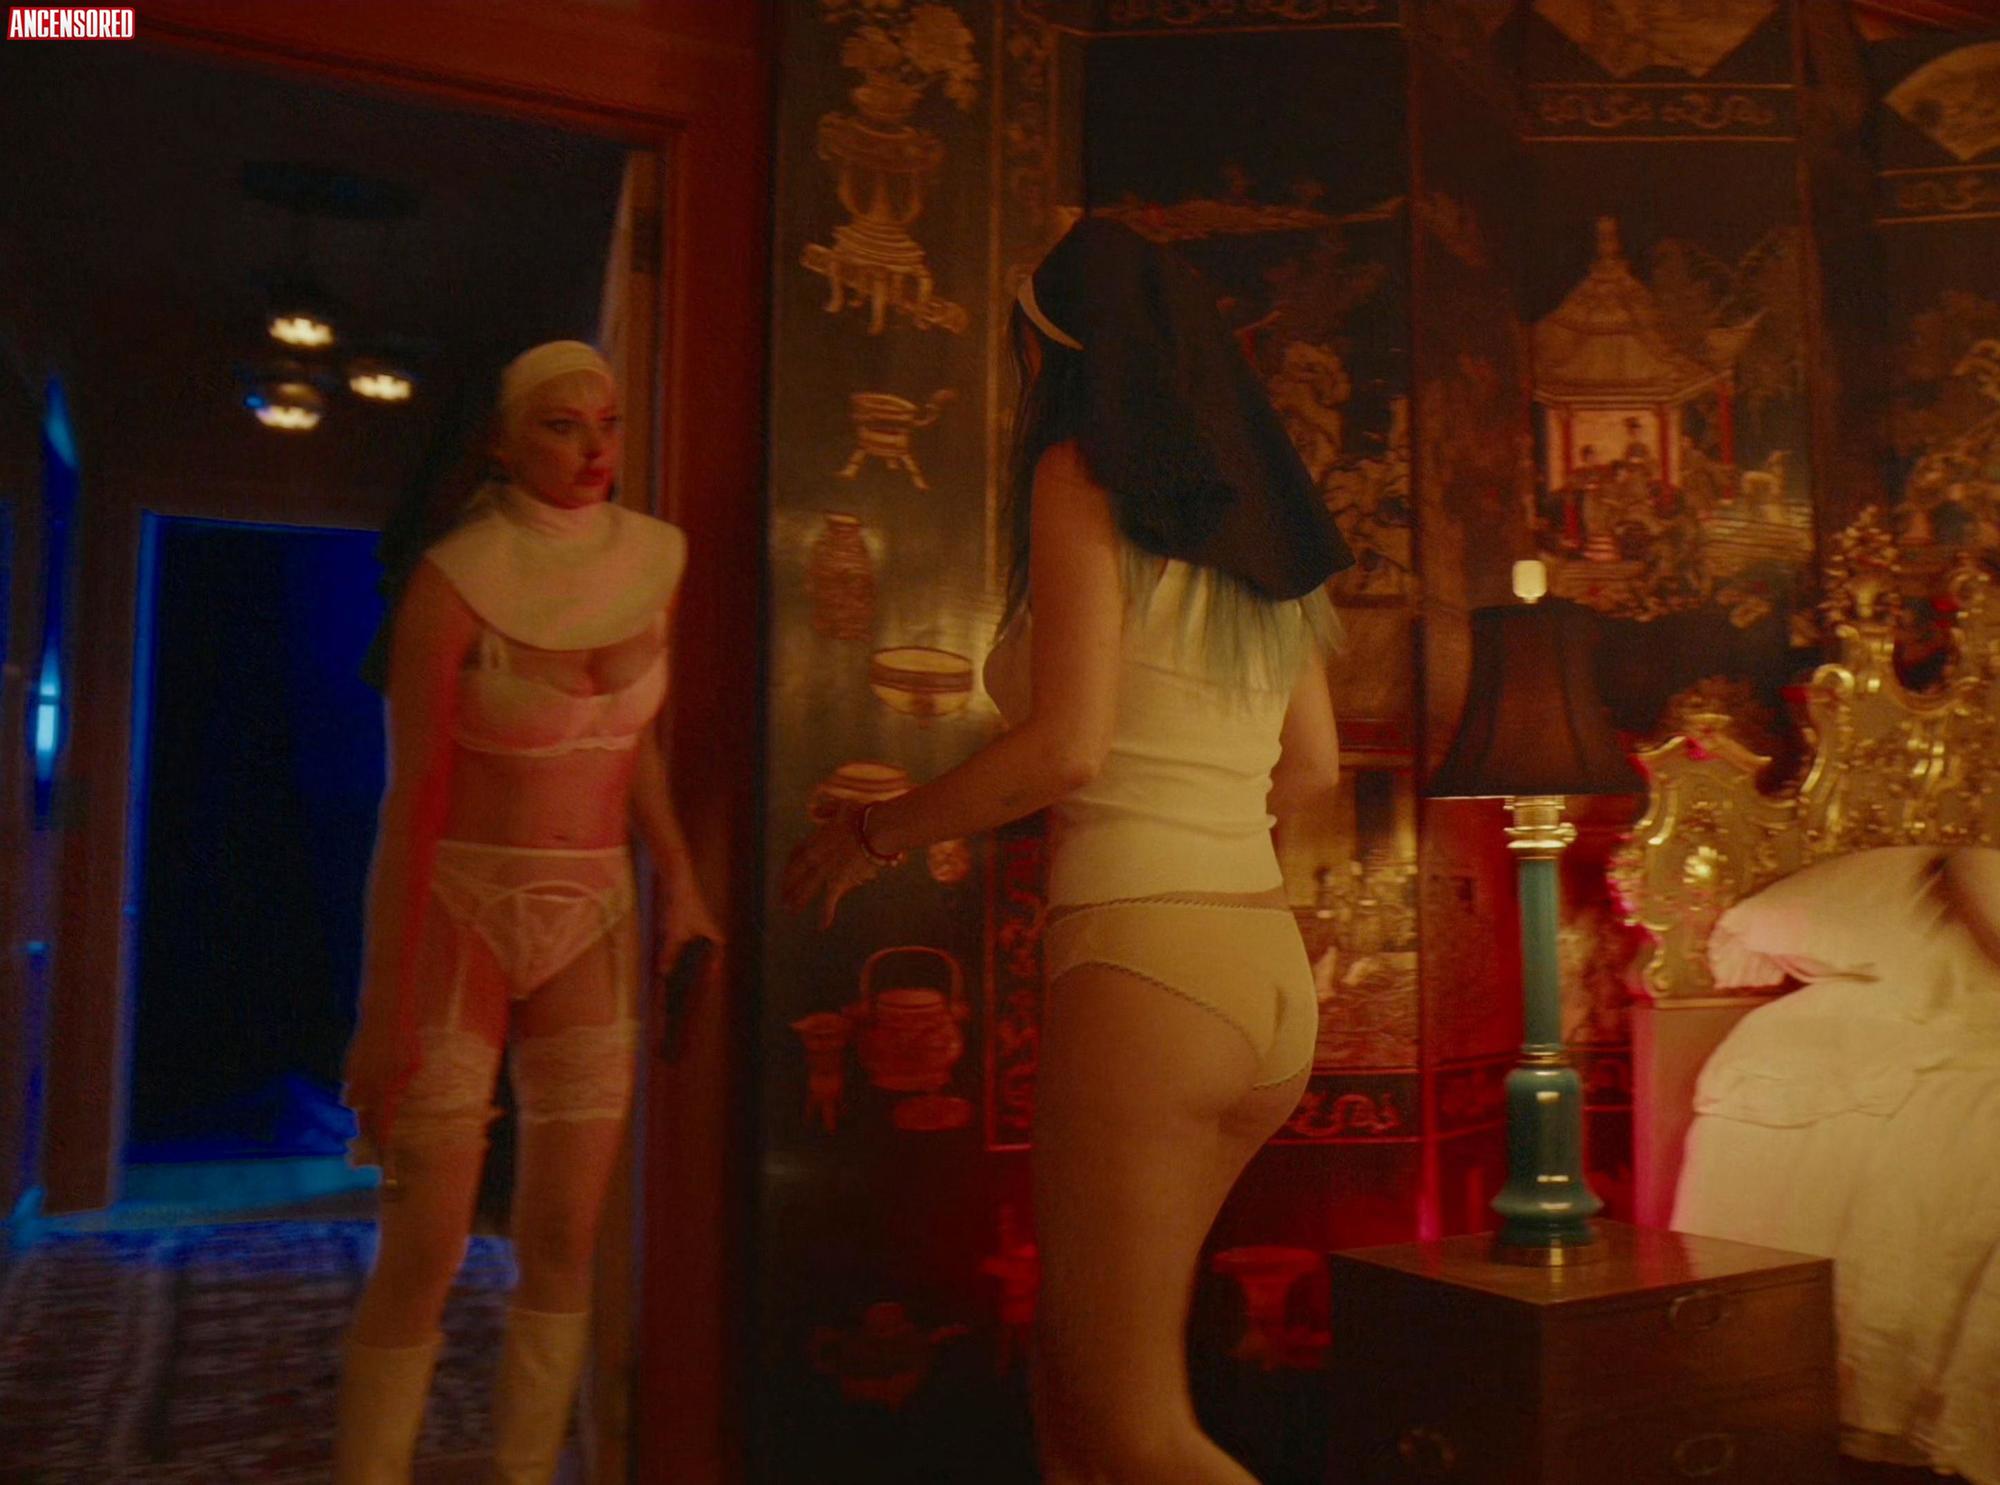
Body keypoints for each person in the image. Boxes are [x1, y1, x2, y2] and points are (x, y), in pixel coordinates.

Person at [782, 219, 1350, 1485]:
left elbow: (1067, 750)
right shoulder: (1264, 508)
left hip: (1149, 972)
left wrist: (872, 833)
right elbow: (1310, 767)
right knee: (1074, 1397)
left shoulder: (1080, 473)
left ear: (1056, 354)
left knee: (1138, 1430)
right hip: (1262, 974)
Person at [333, 340, 721, 1484]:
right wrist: (380, 1016)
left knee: (562, 1237)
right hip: (462, 907)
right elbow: (411, 799)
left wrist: (680, 880)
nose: (595, 447)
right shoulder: (454, 579)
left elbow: (631, 744)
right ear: (502, 445)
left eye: (606, 423)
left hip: (592, 911)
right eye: (561, 425)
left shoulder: (653, 561)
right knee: (427, 1246)